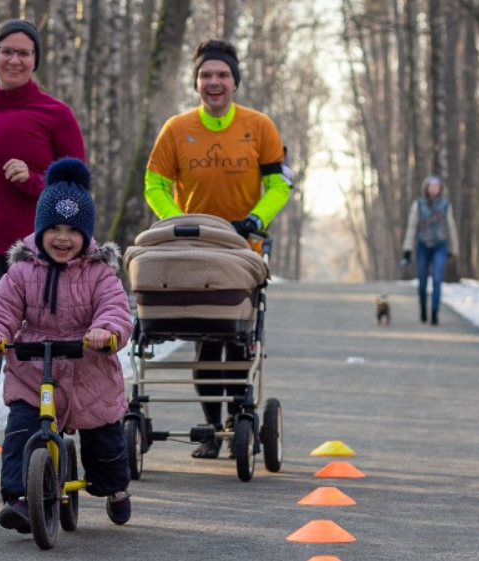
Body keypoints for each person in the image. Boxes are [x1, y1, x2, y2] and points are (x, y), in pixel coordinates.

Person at [0, 19, 86, 491]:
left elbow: (75, 187)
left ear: (35, 61)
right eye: (6, 51)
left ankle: (41, 444)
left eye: (24, 53)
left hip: (36, 256)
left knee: (37, 354)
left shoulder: (55, 114)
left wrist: (32, 179)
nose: (14, 60)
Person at [142, 39, 290, 459]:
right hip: (192, 248)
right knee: (206, 340)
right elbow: (154, 184)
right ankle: (211, 426)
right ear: (196, 82)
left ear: (235, 81)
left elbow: (279, 183)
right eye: (206, 75)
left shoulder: (259, 126)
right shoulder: (177, 128)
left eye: (222, 74)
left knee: (240, 337)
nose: (214, 82)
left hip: (243, 247)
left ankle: (236, 419)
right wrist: (177, 222)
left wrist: (257, 219)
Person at [0, 157, 134, 530]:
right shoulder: (22, 271)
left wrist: (105, 332)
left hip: (88, 370)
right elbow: (0, 310)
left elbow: (115, 309)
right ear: (40, 230)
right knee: (19, 434)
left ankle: (116, 489)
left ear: (86, 235)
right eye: (54, 229)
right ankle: (18, 497)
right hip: (34, 372)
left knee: (105, 444)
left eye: (73, 231)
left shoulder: (99, 272)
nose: (63, 238)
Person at [401, 175, 460, 326]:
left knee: (437, 280)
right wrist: (407, 249)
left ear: (441, 189)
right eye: (431, 186)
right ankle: (423, 309)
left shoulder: (445, 205)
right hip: (422, 246)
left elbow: (451, 227)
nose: (434, 188)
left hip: (440, 246)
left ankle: (434, 313)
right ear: (426, 188)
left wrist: (454, 249)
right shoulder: (419, 204)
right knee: (422, 282)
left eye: (437, 186)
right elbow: (412, 226)